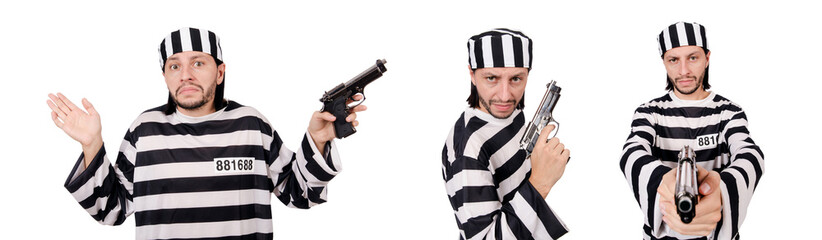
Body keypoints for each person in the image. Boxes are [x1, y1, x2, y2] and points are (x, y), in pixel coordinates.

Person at [46, 27, 365, 239]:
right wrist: (92, 144)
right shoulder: (144, 131)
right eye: (174, 66)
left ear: (220, 71)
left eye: (198, 63)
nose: (185, 74)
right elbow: (110, 210)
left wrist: (318, 141)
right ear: (165, 75)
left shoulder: (252, 125)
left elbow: (300, 193)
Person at [619, 22, 764, 240]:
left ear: (707, 58)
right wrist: (664, 183)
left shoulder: (729, 112)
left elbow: (750, 155)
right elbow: (631, 152)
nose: (684, 70)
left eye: (693, 58)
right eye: (673, 60)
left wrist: (720, 191)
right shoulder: (649, 112)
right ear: (664, 63)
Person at [441, 28, 570, 240]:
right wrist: (540, 182)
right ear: (472, 75)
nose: (505, 96)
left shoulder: (512, 113)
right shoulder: (468, 147)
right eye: (491, 78)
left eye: (516, 79)